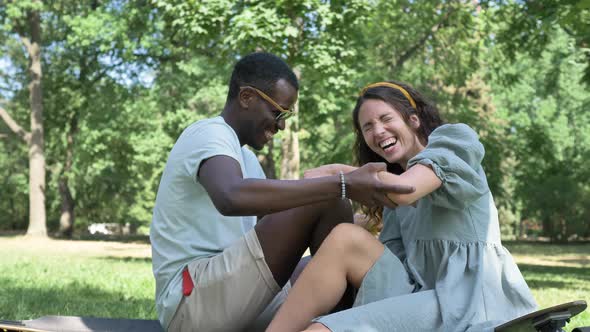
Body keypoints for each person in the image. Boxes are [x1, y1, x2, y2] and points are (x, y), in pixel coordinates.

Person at [149, 54, 415, 332]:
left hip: (234, 295)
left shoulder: (245, 159)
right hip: (193, 303)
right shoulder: (208, 134)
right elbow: (230, 196)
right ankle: (339, 323)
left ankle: (345, 324)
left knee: (335, 259)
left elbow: (275, 230)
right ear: (247, 97)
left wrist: (369, 217)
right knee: (328, 196)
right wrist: (344, 183)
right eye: (278, 112)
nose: (281, 125)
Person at [266, 81, 538, 332]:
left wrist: (341, 173)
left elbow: (406, 190)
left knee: (325, 329)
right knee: (345, 238)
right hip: (420, 295)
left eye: (386, 119)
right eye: (368, 127)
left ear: (413, 120)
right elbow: (386, 252)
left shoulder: (452, 143)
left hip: (467, 298)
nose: (378, 131)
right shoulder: (393, 194)